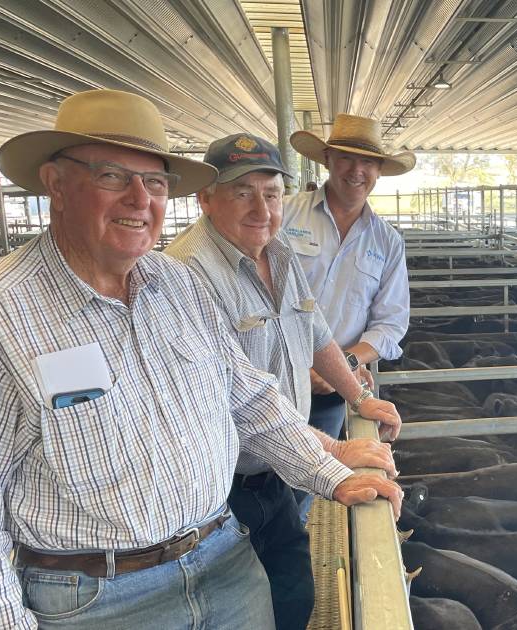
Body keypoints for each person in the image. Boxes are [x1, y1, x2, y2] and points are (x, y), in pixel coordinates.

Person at [0, 90, 401, 629]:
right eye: (111, 175)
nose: (139, 199)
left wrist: (331, 471)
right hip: (98, 597)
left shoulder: (177, 285)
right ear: (55, 184)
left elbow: (247, 398)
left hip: (224, 560)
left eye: (155, 182)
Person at [164, 133, 401, 630]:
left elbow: (316, 332)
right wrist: (332, 454)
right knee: (239, 606)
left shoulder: (279, 250)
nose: (260, 208)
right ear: (205, 198)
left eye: (270, 194)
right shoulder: (184, 275)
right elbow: (237, 401)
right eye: (240, 192)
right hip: (222, 485)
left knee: (293, 595)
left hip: (273, 469)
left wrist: (359, 394)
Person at [284, 114, 415, 442]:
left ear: (379, 171)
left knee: (308, 479)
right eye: (346, 158)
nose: (357, 171)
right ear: (328, 160)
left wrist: (345, 362)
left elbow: (391, 324)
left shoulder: (387, 241)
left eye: (368, 162)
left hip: (331, 389)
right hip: (274, 375)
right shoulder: (284, 214)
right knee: (252, 476)